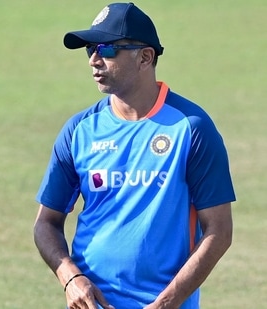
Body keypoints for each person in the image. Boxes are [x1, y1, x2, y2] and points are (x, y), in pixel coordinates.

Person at [33, 3, 235, 309]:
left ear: (145, 57)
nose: (94, 60)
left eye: (107, 49)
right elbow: (45, 223)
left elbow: (219, 231)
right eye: (90, 50)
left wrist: (167, 303)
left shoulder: (191, 128)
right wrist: (70, 279)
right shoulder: (80, 130)